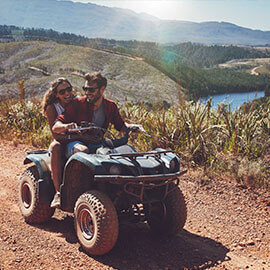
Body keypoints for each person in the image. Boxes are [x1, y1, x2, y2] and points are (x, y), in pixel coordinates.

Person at [52, 71, 145, 157]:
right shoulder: (77, 103)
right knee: (83, 151)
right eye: (85, 89)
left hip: (98, 143)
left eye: (91, 90)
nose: (87, 93)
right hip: (77, 143)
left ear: (102, 89)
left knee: (127, 152)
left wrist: (134, 127)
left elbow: (120, 126)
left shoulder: (110, 106)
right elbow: (56, 127)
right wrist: (66, 126)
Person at [42, 77, 75, 208]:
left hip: (81, 138)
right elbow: (55, 134)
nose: (67, 94)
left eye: (68, 89)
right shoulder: (52, 108)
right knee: (55, 148)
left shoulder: (76, 102)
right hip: (62, 140)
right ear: (56, 94)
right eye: (62, 92)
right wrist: (69, 132)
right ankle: (58, 192)